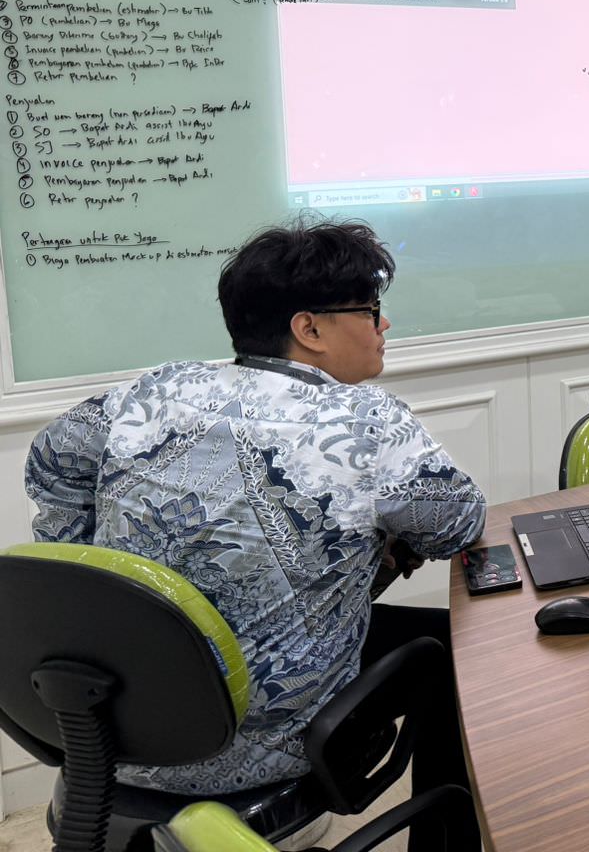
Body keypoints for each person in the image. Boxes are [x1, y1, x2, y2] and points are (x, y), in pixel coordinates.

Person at [25, 219, 486, 844]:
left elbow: (49, 463)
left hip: (108, 720)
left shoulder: (152, 390)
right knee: (457, 647)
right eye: (370, 311)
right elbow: (458, 523)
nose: (384, 326)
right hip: (256, 744)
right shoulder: (365, 422)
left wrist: (92, 570)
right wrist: (384, 542)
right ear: (310, 329)